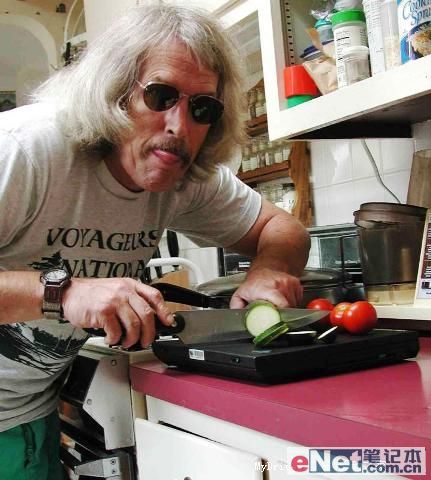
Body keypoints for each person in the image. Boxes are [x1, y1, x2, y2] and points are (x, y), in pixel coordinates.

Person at [0, 3, 310, 479]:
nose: (179, 127)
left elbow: (283, 229)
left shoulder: (183, 174)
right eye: (160, 95)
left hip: (25, 416)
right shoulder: (26, 150)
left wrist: (271, 269)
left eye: (202, 108)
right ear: (116, 93)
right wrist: (65, 292)